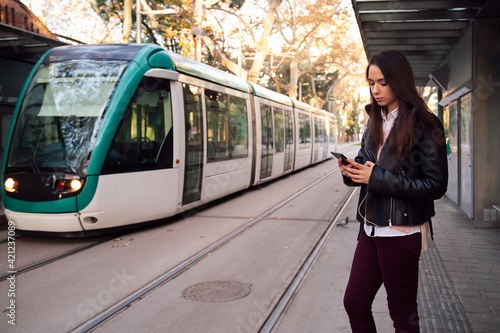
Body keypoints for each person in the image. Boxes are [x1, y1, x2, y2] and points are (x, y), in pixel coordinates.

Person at [338, 50, 448, 332]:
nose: (375, 90)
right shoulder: (373, 120)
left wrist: (376, 177)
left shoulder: (426, 123)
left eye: (383, 82)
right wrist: (352, 172)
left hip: (402, 233)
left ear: (399, 81)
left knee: (402, 314)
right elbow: (367, 167)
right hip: (370, 230)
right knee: (355, 303)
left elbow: (435, 185)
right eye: (371, 82)